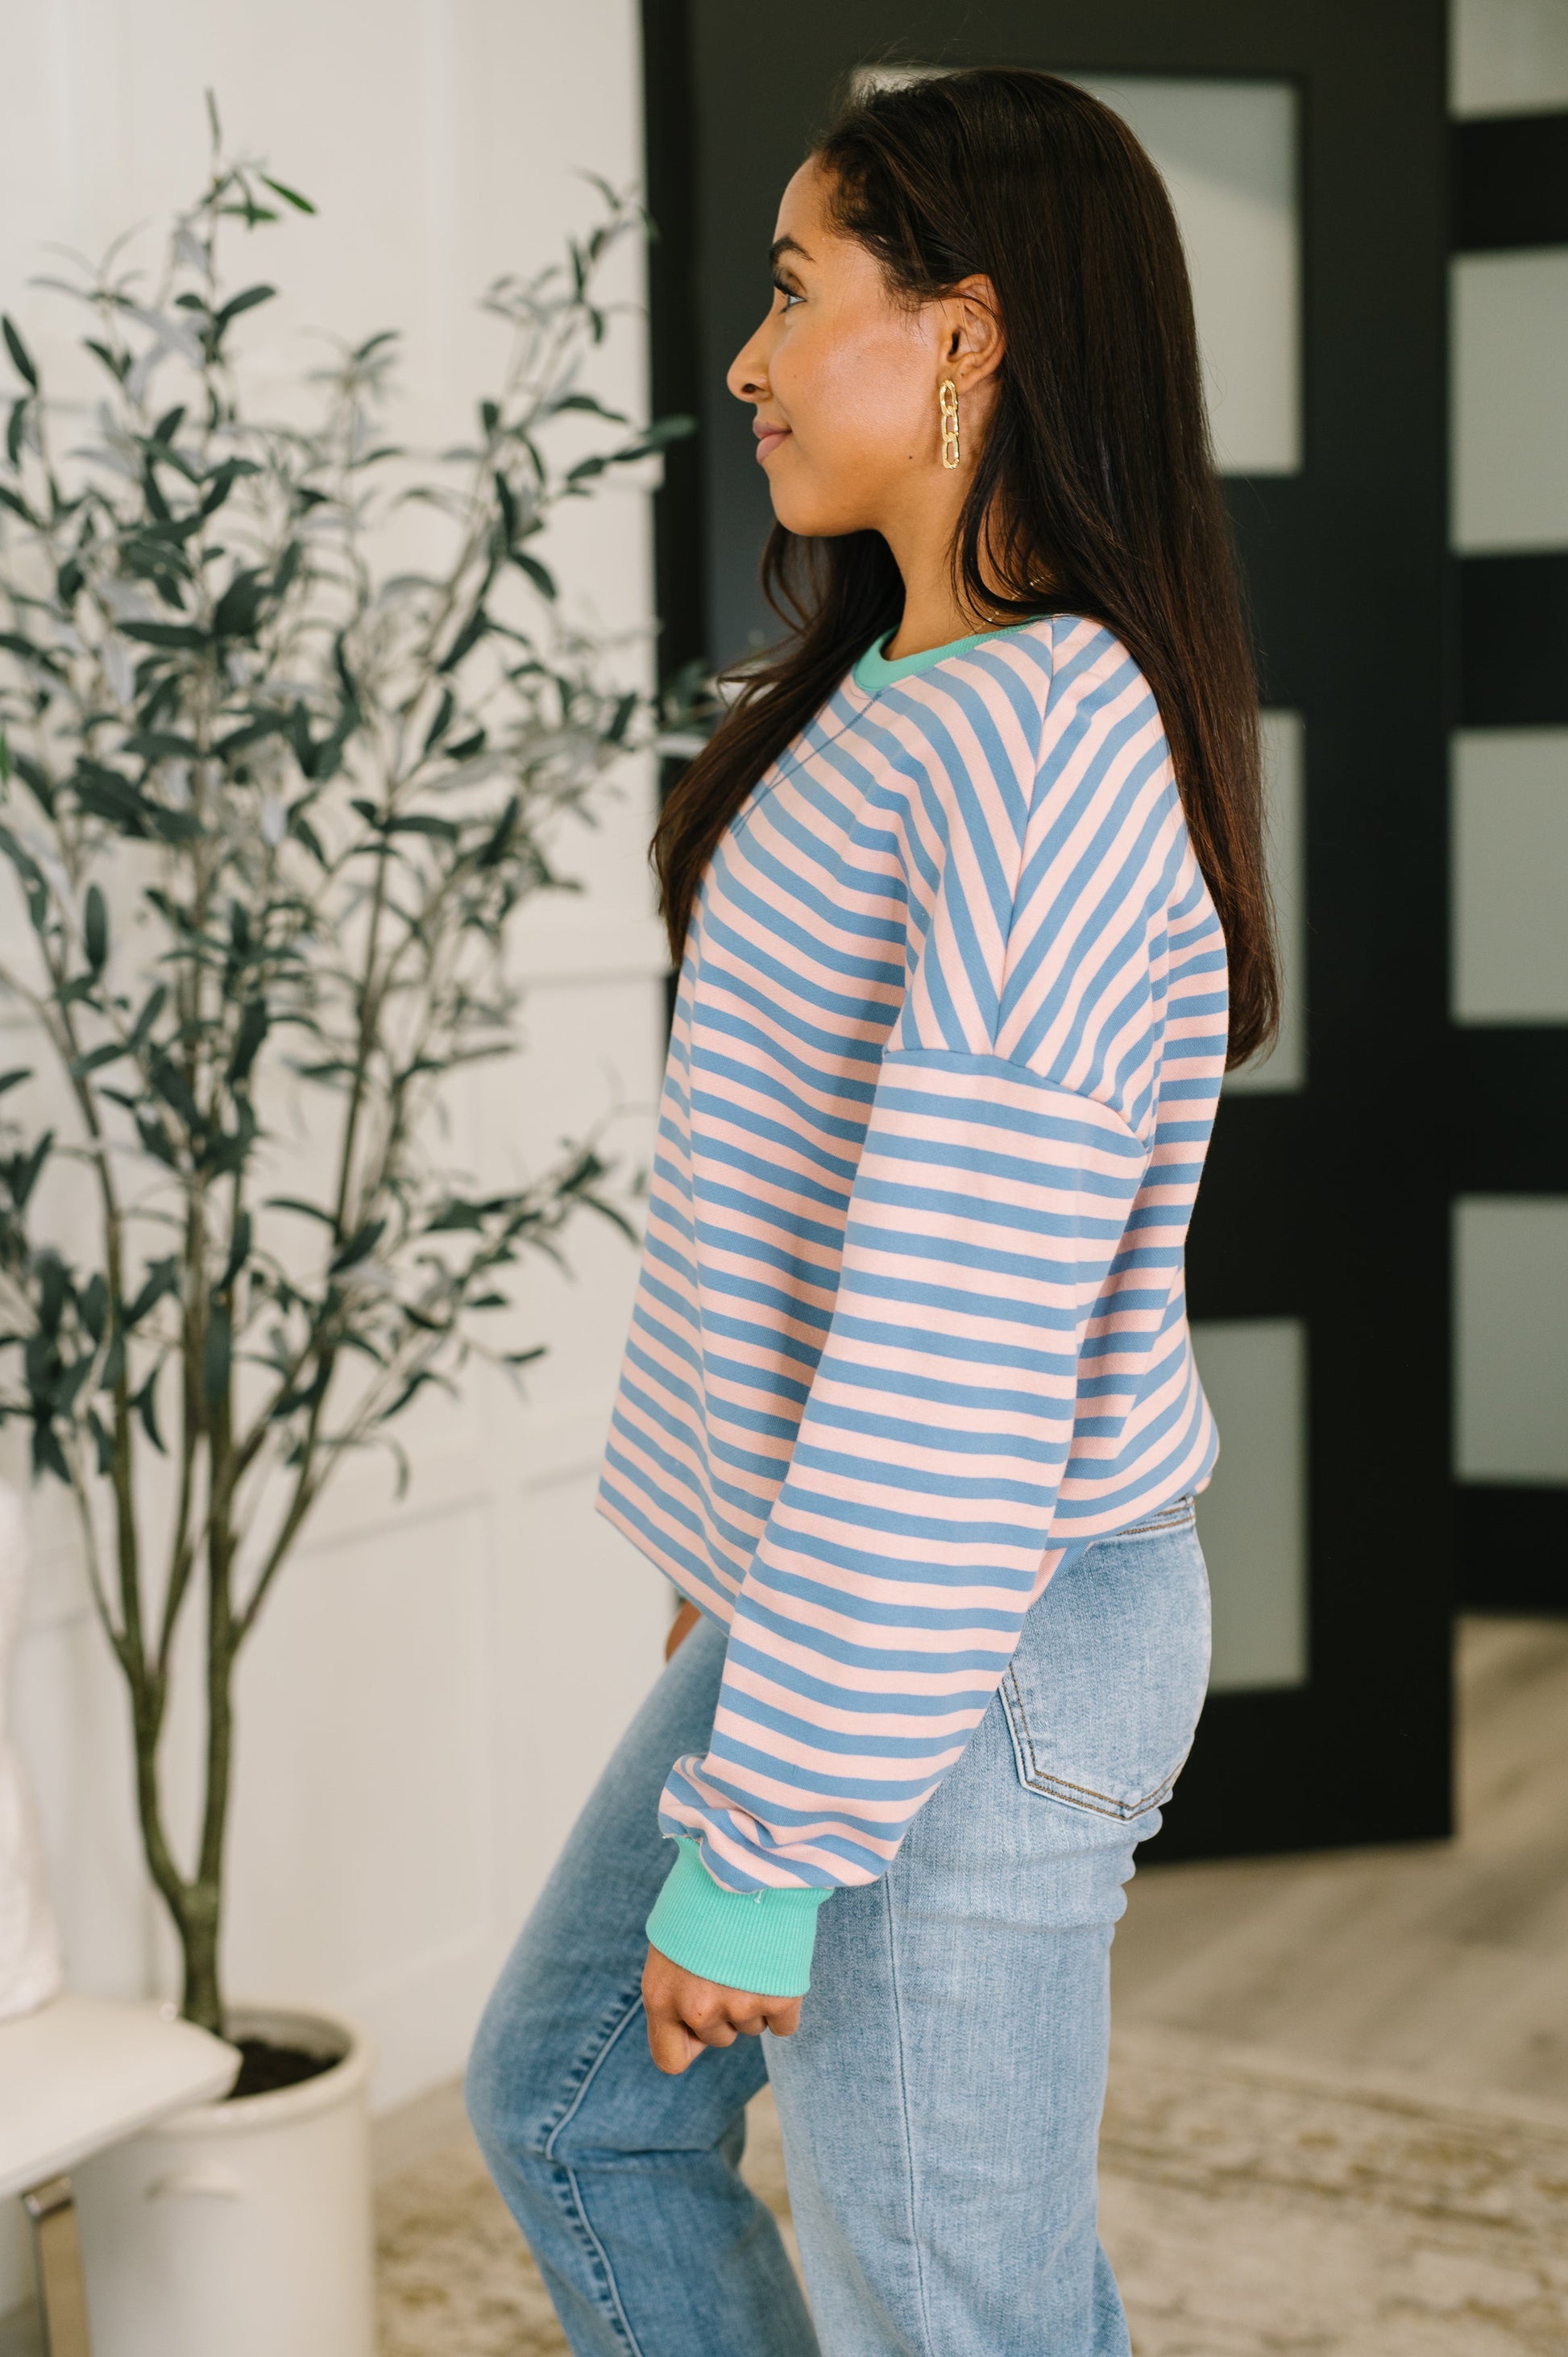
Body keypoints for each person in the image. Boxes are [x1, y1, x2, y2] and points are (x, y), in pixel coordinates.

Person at [466, 64, 1276, 2357]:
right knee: (572, 2108)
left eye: (795, 286)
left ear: (964, 337)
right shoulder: (887, 692)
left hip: (973, 1628)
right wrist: (735, 1588)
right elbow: (811, 1241)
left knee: (956, 2314)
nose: (743, 356)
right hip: (846, 1602)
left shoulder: (1044, 745)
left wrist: (771, 1833)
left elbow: (955, 1345)